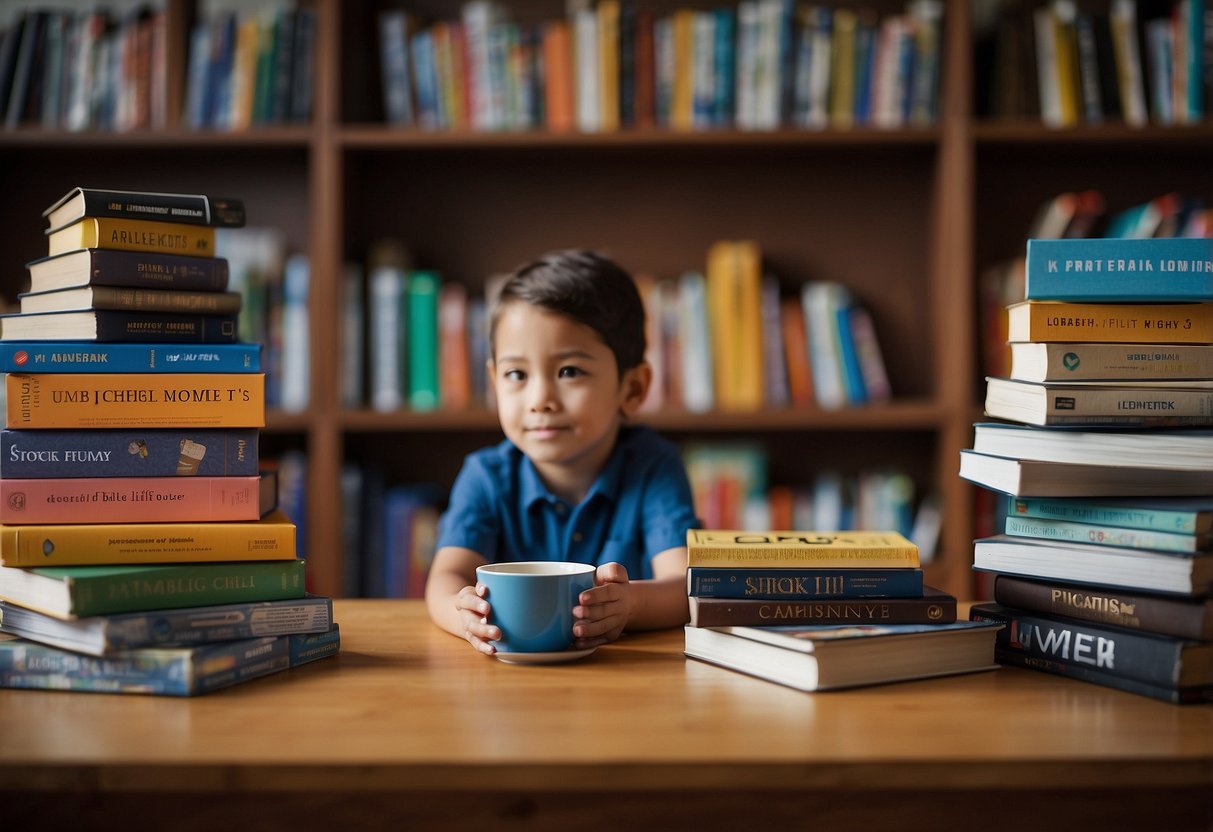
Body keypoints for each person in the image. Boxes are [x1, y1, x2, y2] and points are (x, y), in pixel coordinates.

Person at [425, 249, 700, 655]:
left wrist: (630, 605)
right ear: (493, 381)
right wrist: (462, 614)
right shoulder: (485, 475)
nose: (540, 400)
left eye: (569, 371)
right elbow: (445, 578)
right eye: (516, 374)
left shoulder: (653, 467)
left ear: (633, 388)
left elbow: (686, 588)